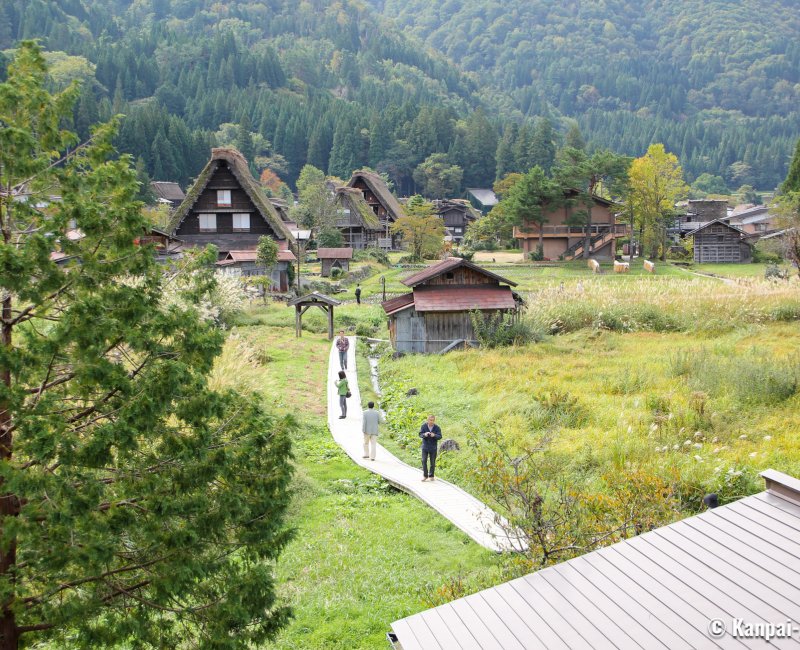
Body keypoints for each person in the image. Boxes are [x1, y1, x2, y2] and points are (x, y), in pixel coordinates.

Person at [419, 414, 442, 481]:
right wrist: (424, 434)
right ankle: (425, 476)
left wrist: (434, 435)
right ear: (427, 420)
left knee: (432, 462)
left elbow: (440, 436)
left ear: (434, 420)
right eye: (430, 420)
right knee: (424, 461)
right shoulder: (423, 426)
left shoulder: (437, 428)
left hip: (433, 447)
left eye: (432, 420)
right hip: (425, 447)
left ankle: (431, 475)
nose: (431, 421)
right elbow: (420, 434)